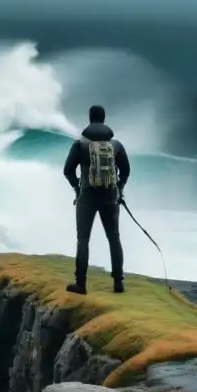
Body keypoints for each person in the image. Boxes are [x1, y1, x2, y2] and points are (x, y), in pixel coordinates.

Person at [62, 104, 131, 295]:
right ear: (104, 118)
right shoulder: (115, 145)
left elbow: (67, 170)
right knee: (114, 238)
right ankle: (118, 283)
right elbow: (126, 170)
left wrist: (77, 187)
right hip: (110, 197)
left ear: (90, 118)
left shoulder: (80, 144)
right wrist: (119, 188)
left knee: (83, 240)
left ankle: (81, 284)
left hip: (87, 197)